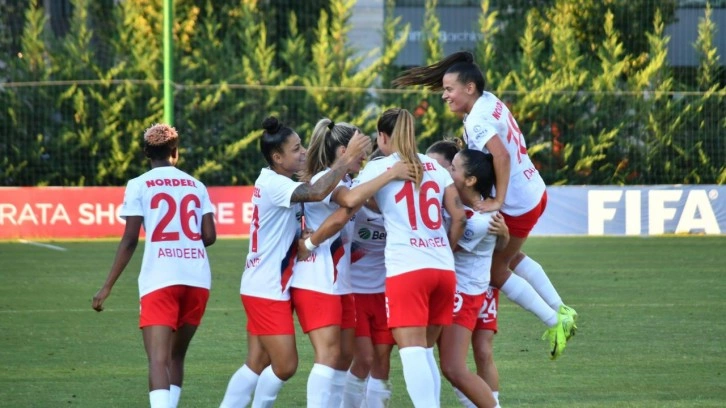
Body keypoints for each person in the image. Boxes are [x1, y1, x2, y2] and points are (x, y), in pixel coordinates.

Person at [394, 51, 577, 359]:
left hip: (517, 203)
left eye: (449, 89)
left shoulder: (478, 118)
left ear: (469, 88)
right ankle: (561, 309)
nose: (445, 95)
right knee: (512, 256)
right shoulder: (489, 101)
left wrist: (497, 200)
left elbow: (501, 156)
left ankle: (556, 320)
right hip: (532, 189)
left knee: (496, 271)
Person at [219, 117, 370, 408]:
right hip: (267, 286)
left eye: (302, 146)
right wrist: (346, 159)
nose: (303, 152)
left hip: (271, 282)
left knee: (256, 362)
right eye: (296, 148)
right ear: (277, 158)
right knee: (286, 365)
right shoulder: (275, 184)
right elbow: (317, 192)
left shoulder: (278, 182)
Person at [92, 123, 217, 408]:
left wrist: (106, 286)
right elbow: (209, 236)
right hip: (197, 278)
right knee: (176, 357)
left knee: (158, 360)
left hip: (160, 278)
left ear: (146, 153)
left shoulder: (139, 184)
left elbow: (129, 240)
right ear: (175, 151)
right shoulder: (196, 185)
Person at [289, 118, 411, 407]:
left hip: (339, 283)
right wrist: (391, 173)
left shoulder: (343, 181)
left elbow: (355, 204)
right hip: (317, 280)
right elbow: (350, 203)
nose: (366, 156)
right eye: (360, 148)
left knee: (345, 357)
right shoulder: (325, 178)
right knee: (329, 357)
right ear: (343, 151)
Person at [352, 108, 467, 408]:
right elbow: (459, 218)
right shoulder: (436, 167)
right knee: (426, 351)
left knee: (412, 352)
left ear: (383, 136)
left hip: (407, 270)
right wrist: (443, 250)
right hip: (443, 269)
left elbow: (353, 198)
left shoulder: (380, 167)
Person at [426, 144, 503, 407]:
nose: (447, 172)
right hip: (458, 288)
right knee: (443, 360)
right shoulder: (461, 203)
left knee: (454, 367)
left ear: (470, 180)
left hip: (465, 293)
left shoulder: (480, 219)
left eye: (453, 168)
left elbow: (447, 248)